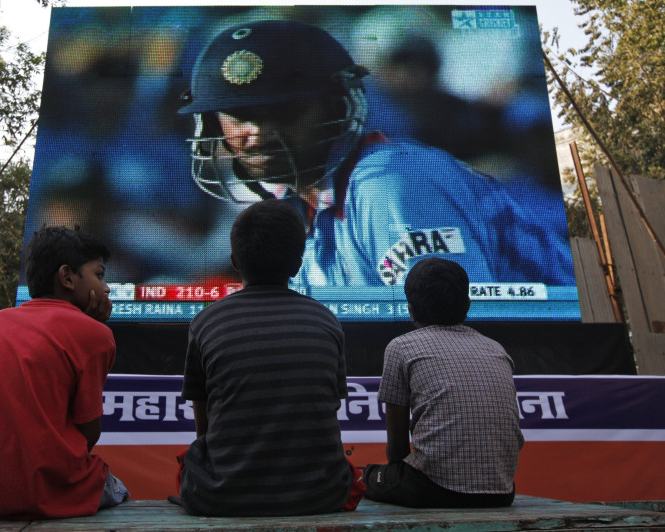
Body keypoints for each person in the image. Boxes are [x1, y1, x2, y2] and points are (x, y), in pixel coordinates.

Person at [176, 18, 575, 289]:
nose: (257, 132)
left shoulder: (386, 186)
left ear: (335, 107)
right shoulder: (301, 203)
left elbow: (457, 336)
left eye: (282, 111)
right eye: (239, 115)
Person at [170, 198, 365, 516]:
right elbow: (328, 408)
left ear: (234, 260)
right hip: (321, 495)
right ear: (297, 266)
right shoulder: (326, 320)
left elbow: (203, 431)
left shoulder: (206, 321)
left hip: (223, 497)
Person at [0, 226, 129, 519]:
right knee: (118, 488)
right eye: (99, 276)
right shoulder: (95, 335)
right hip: (41, 494)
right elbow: (89, 434)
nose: (107, 288)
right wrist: (91, 326)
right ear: (66, 277)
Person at [364, 257, 523, 508]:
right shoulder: (496, 349)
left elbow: (396, 451)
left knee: (367, 476)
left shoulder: (401, 347)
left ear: (411, 309)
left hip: (432, 489)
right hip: (501, 491)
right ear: (468, 305)